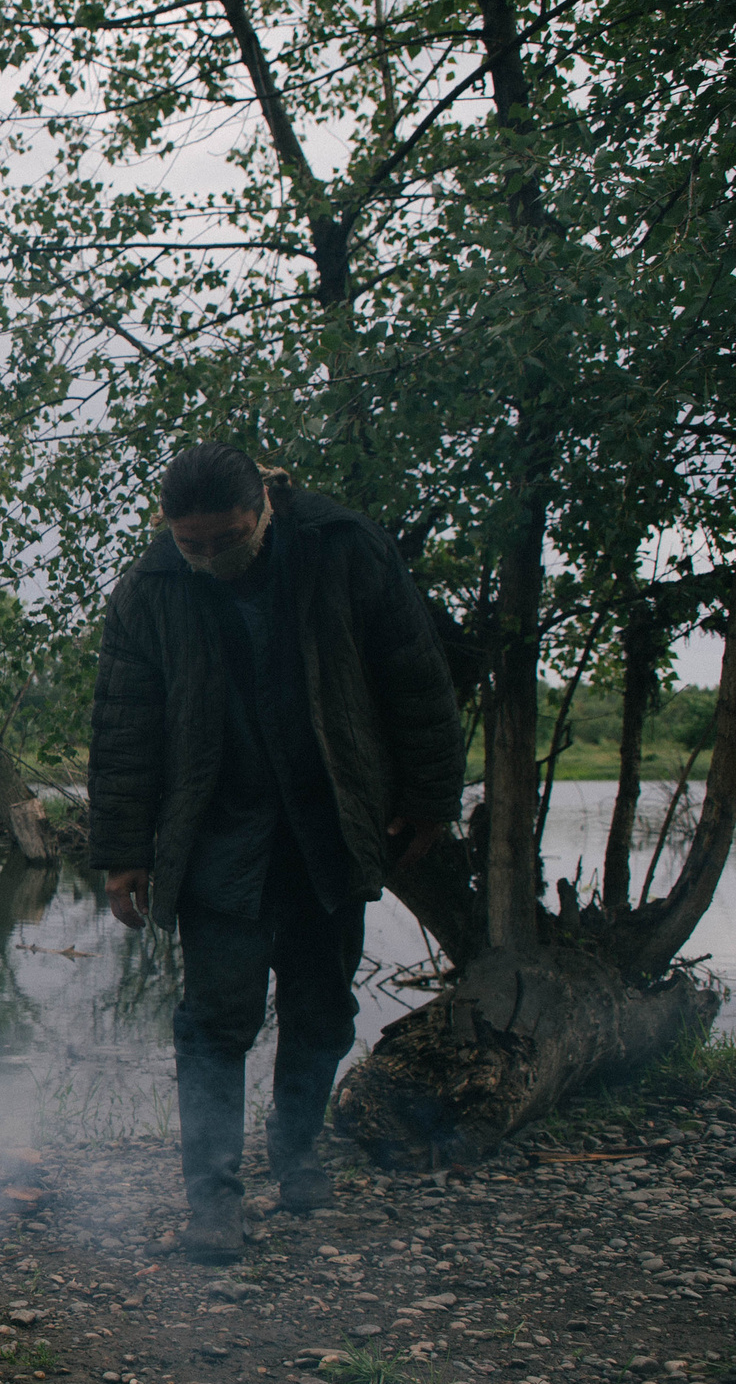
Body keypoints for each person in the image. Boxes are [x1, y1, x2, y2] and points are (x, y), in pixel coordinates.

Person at [89, 444, 463, 1262]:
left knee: (322, 1011)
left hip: (327, 827)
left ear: (263, 503)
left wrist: (432, 794)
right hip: (220, 836)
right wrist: (123, 850)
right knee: (214, 1023)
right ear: (168, 528)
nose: (211, 558)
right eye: (193, 544)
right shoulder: (152, 587)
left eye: (226, 538)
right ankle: (215, 1202)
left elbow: (415, 669)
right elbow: (123, 723)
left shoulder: (342, 547)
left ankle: (296, 1155)